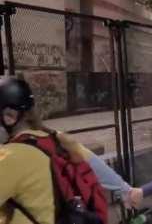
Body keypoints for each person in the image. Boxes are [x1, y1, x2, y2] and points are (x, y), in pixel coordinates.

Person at [0, 78, 135, 224]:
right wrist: (125, 190)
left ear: (10, 117)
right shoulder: (56, 139)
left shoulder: (10, 157)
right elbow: (93, 163)